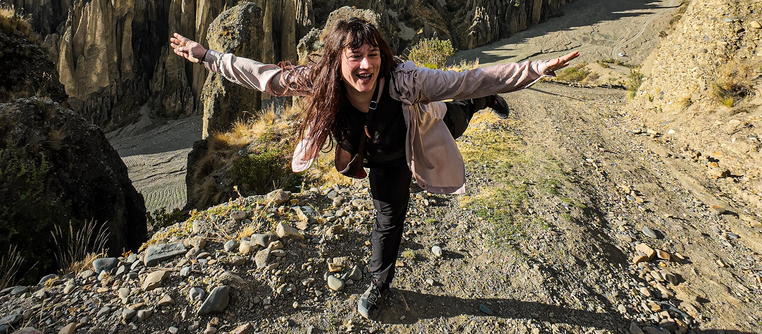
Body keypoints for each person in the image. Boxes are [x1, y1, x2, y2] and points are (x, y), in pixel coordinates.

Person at [170, 18, 578, 320]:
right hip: (380, 161)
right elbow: (265, 78)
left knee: (458, 115)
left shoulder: (406, 79)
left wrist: (534, 70)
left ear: (382, 56)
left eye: (373, 54)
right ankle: (380, 284)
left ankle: (486, 104)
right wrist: (207, 56)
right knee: (388, 218)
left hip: (417, 136)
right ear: (338, 59)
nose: (366, 64)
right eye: (355, 56)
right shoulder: (321, 79)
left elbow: (465, 79)